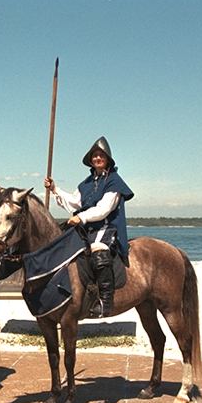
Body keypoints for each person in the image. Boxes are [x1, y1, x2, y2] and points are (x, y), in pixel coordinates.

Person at [44, 136, 134, 318]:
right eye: (95, 156)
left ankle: (105, 301)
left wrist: (81, 217)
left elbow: (104, 209)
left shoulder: (114, 182)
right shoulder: (86, 183)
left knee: (97, 251)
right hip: (86, 229)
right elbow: (74, 202)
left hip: (107, 228)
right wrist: (55, 189)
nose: (98, 158)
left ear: (107, 158)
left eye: (101, 155)